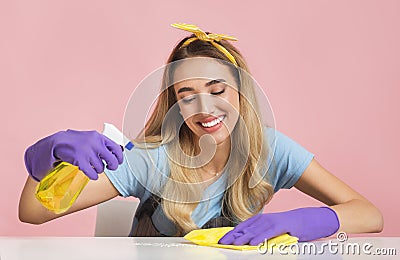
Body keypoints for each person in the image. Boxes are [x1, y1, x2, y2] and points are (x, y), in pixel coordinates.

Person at [19, 23, 383, 245]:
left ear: (241, 90)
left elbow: (370, 215)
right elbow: (33, 213)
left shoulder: (271, 150)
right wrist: (47, 153)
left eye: (217, 90)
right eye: (186, 96)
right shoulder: (154, 158)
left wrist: (303, 221)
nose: (205, 109)